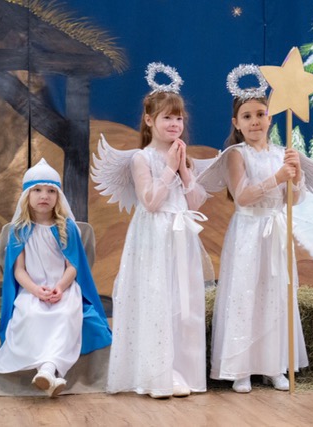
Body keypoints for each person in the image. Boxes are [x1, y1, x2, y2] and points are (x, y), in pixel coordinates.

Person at [199, 64, 313, 393]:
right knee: (245, 293)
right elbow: (243, 195)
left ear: (270, 117)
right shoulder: (236, 154)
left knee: (274, 293)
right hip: (248, 230)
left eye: (260, 114)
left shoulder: (282, 154)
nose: (255, 121)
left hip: (275, 230)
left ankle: (273, 365)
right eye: (247, 116)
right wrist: (277, 177)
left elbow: (292, 200)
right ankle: (241, 366)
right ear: (236, 123)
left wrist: (296, 177)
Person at [93, 63, 208, 399]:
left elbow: (195, 202)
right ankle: (156, 373)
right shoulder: (141, 159)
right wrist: (170, 169)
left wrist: (185, 171)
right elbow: (151, 201)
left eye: (179, 118)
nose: (174, 124)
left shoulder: (183, 158)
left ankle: (183, 370)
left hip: (180, 234)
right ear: (149, 120)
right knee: (156, 298)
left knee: (182, 301)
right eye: (167, 117)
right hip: (154, 236)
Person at [0, 158, 112, 397]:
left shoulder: (66, 228)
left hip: (63, 289)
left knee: (65, 314)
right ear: (26, 195)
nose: (44, 196)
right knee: (30, 314)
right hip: (32, 289)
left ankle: (47, 370)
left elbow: (73, 266)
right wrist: (36, 290)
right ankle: (49, 371)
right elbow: (19, 270)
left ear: (58, 196)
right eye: (37, 190)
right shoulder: (19, 230)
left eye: (50, 191)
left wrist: (60, 287)